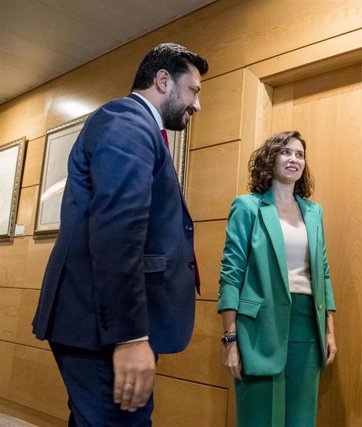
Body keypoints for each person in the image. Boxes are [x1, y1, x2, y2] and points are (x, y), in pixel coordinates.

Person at [32, 43, 208, 426]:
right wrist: (128, 337)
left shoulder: (135, 126)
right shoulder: (127, 120)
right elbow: (118, 230)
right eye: (193, 90)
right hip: (103, 329)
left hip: (103, 325)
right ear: (163, 80)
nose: (197, 105)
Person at [217, 130, 337, 426]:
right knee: (260, 417)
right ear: (270, 159)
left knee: (301, 417)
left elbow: (322, 272)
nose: (294, 159)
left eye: (300, 154)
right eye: (286, 152)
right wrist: (230, 339)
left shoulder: (313, 212)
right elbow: (231, 273)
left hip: (307, 324)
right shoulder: (247, 207)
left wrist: (330, 331)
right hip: (258, 327)